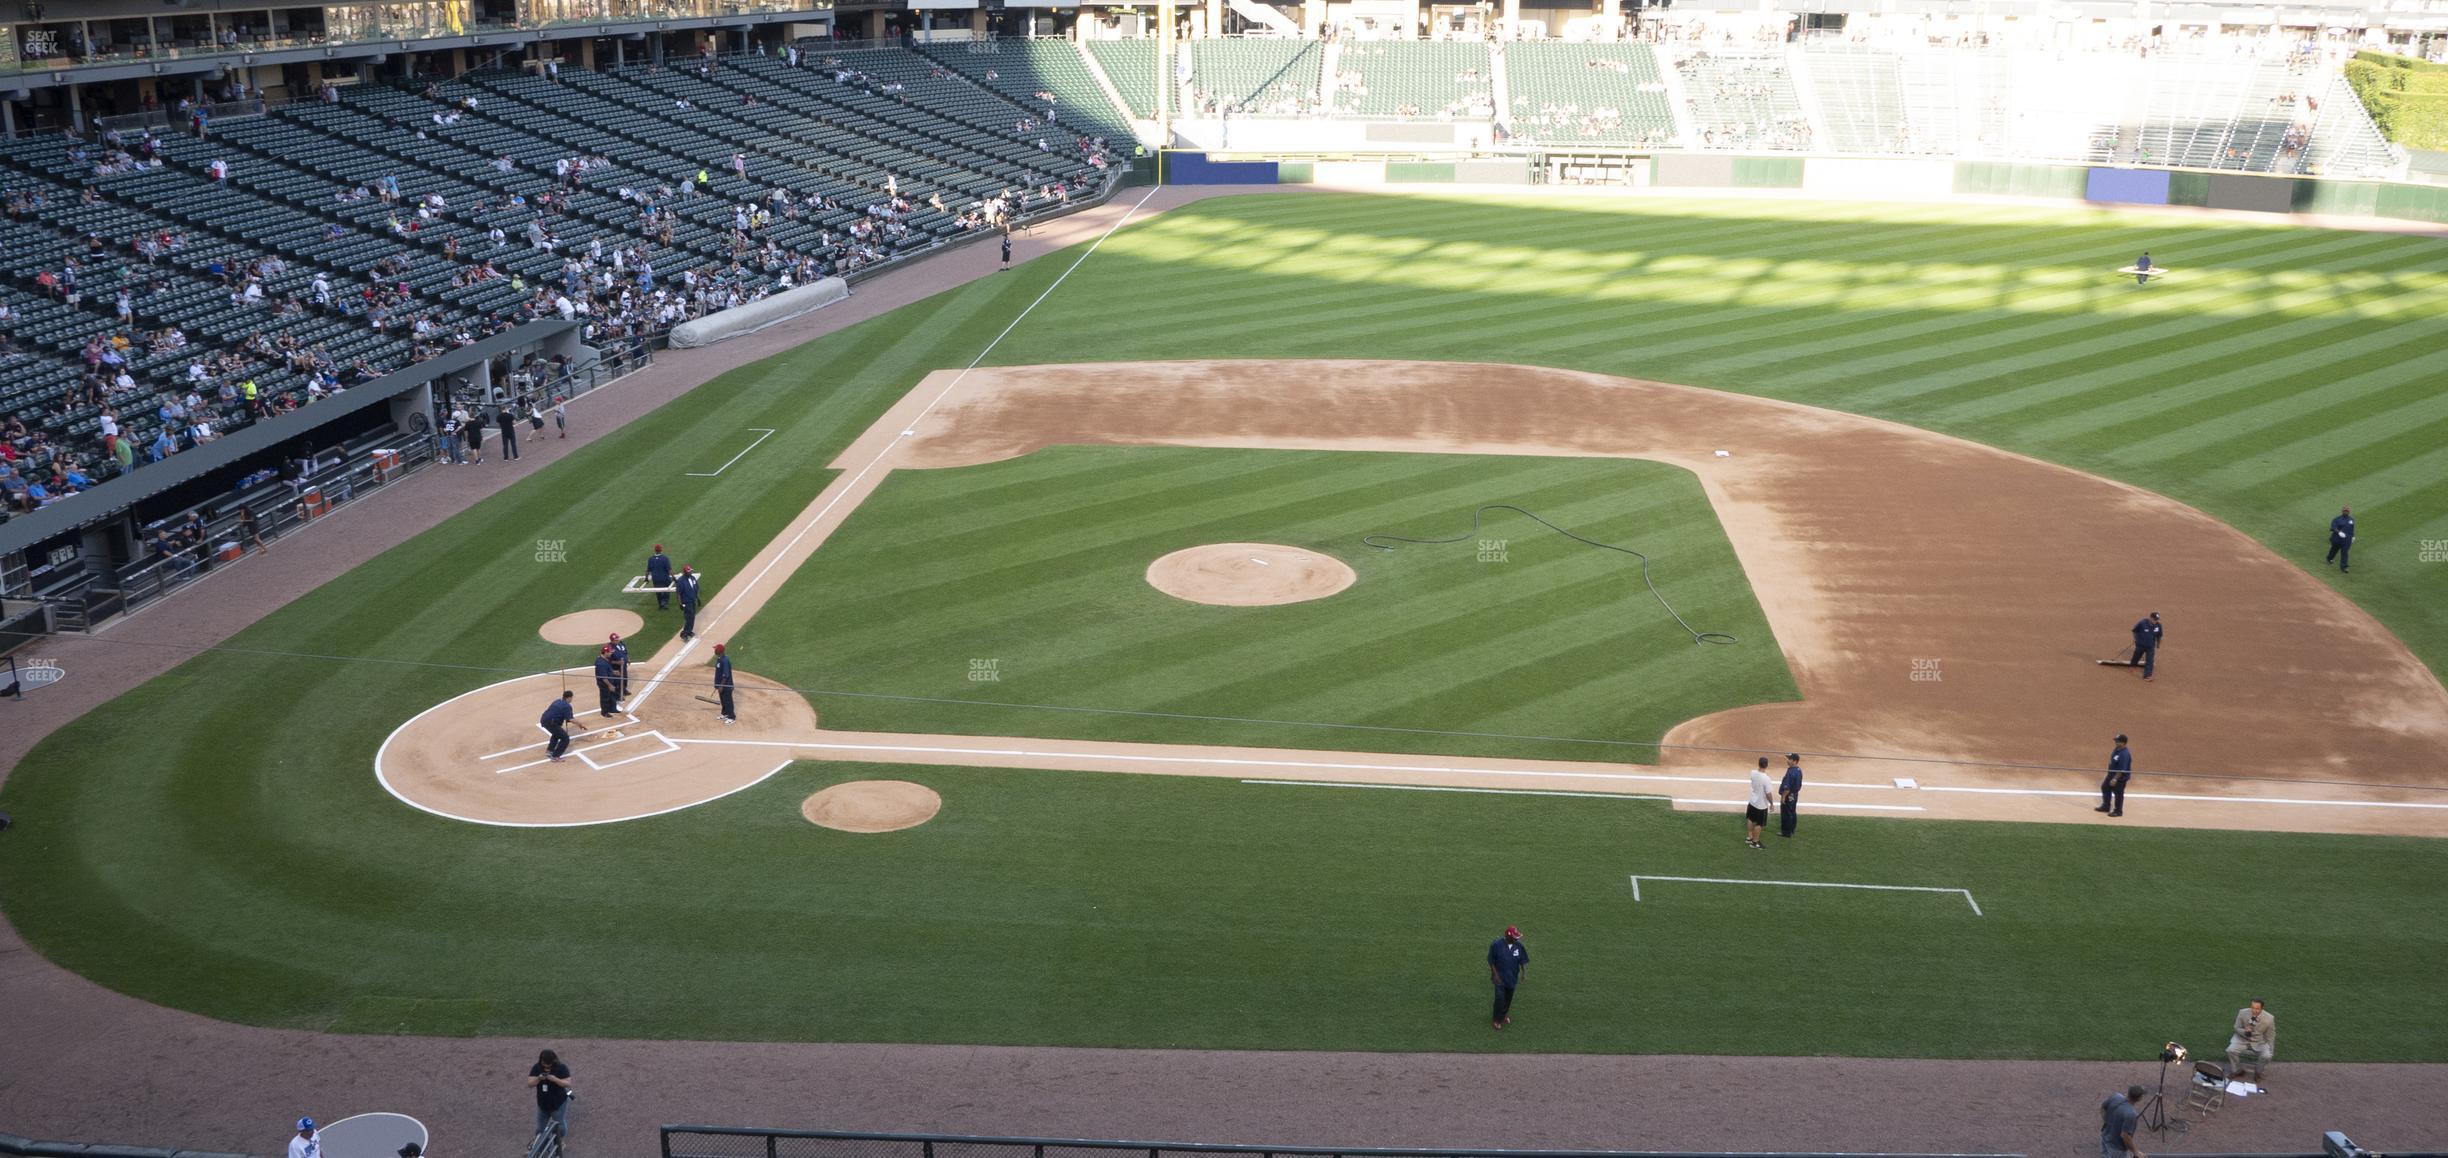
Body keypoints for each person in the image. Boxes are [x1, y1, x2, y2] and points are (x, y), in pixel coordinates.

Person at [1486, 925, 1527, 1029]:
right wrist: (1495, 974)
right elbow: (1491, 961)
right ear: (1508, 936)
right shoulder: (1496, 945)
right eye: (1514, 937)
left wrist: (1524, 973)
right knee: (1500, 998)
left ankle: (1503, 1015)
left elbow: (1522, 960)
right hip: (1499, 978)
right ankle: (1496, 1020)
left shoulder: (1519, 946)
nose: (1516, 939)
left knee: (1508, 999)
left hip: (1512, 977)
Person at [2226, 999, 2276, 1085]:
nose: (2254, 1010)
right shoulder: (2242, 1012)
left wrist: (2271, 1049)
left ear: (2261, 1009)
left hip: (2259, 1041)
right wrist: (2245, 1031)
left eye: (2257, 1008)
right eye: (2252, 1008)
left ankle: (2258, 1073)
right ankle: (2237, 1071)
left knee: (2266, 1056)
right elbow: (2236, 1027)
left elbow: (2270, 1035)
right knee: (2230, 1050)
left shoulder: (2269, 1018)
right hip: (2242, 1039)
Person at [527, 1048, 573, 1140]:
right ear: (541, 1061)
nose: (547, 1067)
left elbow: (568, 1083)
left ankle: (560, 1143)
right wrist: (538, 1078)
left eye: (549, 1065)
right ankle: (539, 1147)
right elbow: (530, 1084)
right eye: (545, 1065)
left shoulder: (561, 1067)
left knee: (560, 1125)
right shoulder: (537, 1067)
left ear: (554, 1061)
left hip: (557, 1104)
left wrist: (555, 1079)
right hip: (542, 1104)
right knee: (540, 1129)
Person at [2101, 1085, 2145, 1158]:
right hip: (2116, 1149)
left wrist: (2107, 1122)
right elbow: (2125, 1136)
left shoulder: (2116, 1097)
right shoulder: (2131, 1114)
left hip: (2104, 1139)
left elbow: (2102, 1108)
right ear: (2139, 1098)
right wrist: (2135, 1152)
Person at [2097, 734, 2133, 817]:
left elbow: (2122, 769)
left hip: (2119, 777)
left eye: (2118, 741)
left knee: (2118, 794)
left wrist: (2115, 779)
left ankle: (2118, 811)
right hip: (2111, 774)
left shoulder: (2124, 754)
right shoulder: (2117, 749)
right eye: (2116, 740)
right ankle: (2106, 806)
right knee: (2105, 787)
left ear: (2123, 743)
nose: (2116, 742)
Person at [1745, 756, 1773, 849]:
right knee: (1759, 824)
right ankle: (1755, 842)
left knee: (1750, 818)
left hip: (1752, 801)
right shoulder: (1766, 779)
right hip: (1761, 805)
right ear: (1767, 765)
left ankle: (1749, 837)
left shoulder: (1752, 773)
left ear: (1759, 763)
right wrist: (1772, 804)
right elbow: (1768, 794)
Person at [541, 690, 576, 762]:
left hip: (544, 719)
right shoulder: (567, 706)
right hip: (551, 722)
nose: (572, 699)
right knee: (565, 738)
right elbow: (571, 719)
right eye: (571, 698)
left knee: (556, 734)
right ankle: (555, 756)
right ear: (569, 698)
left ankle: (549, 751)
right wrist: (580, 724)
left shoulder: (557, 701)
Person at [2128, 612, 2163, 682]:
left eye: (2157, 620)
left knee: (2150, 660)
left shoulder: (2158, 625)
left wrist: (2158, 644)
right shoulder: (2142, 623)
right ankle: (2132, 665)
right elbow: (2134, 631)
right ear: (2150, 618)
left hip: (2150, 646)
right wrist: (2135, 639)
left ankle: (2147, 676)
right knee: (2136, 656)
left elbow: (2159, 635)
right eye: (2155, 619)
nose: (2156, 621)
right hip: (2140, 645)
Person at [1777, 753, 1803, 838]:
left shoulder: (1791, 772)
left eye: (1789, 759)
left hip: (1788, 795)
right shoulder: (1798, 770)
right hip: (1794, 795)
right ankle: (1792, 829)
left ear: (1794, 761)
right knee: (1792, 812)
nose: (1787, 760)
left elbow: (1787, 788)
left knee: (1786, 814)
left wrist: (1783, 797)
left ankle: (1786, 832)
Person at [592, 645, 620, 718]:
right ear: (605, 652)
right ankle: (605, 712)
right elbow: (604, 677)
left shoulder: (605, 659)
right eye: (610, 652)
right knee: (605, 698)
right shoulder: (601, 663)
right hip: (604, 684)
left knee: (612, 696)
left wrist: (613, 672)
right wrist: (609, 685)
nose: (611, 654)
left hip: (609, 681)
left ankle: (612, 709)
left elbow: (607, 670)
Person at [2325, 506, 2354, 573]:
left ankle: (2344, 567)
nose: (2346, 512)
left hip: (2347, 540)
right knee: (2334, 549)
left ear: (2349, 512)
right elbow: (2333, 527)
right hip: (2337, 539)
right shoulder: (2337, 519)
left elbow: (2352, 529)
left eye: (2347, 511)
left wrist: (2353, 536)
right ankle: (2329, 559)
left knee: (2345, 553)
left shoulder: (2351, 520)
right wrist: (2339, 532)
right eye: (2345, 511)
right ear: (2342, 511)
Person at [675, 565, 700, 640]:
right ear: (685, 572)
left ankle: (689, 631)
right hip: (686, 602)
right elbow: (678, 593)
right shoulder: (680, 581)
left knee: (692, 616)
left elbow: (696, 588)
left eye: (691, 571)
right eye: (689, 571)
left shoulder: (692, 578)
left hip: (692, 600)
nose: (691, 572)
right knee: (689, 617)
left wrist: (698, 598)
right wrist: (680, 604)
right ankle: (684, 634)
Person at [713, 642, 735, 724]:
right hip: (720, 685)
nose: (714, 650)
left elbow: (726, 675)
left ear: (719, 651)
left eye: (715, 649)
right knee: (723, 700)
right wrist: (717, 685)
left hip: (726, 686)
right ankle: (725, 713)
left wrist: (721, 686)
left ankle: (732, 717)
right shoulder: (719, 658)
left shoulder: (725, 661)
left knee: (728, 701)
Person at [647, 544, 673, 610]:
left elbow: (648, 571)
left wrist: (646, 578)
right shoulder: (665, 558)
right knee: (667, 589)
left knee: (658, 591)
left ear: (655, 550)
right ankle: (664, 603)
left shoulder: (650, 559)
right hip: (664, 578)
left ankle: (660, 605)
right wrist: (674, 578)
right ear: (661, 550)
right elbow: (669, 570)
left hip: (655, 579)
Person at [607, 632, 630, 704]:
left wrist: (628, 659)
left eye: (618, 638)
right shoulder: (609, 648)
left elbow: (625, 652)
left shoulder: (621, 643)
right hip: (615, 667)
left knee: (625, 678)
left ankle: (624, 690)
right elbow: (608, 660)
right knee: (618, 681)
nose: (618, 640)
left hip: (623, 665)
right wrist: (617, 663)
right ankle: (618, 694)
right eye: (616, 639)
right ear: (612, 640)